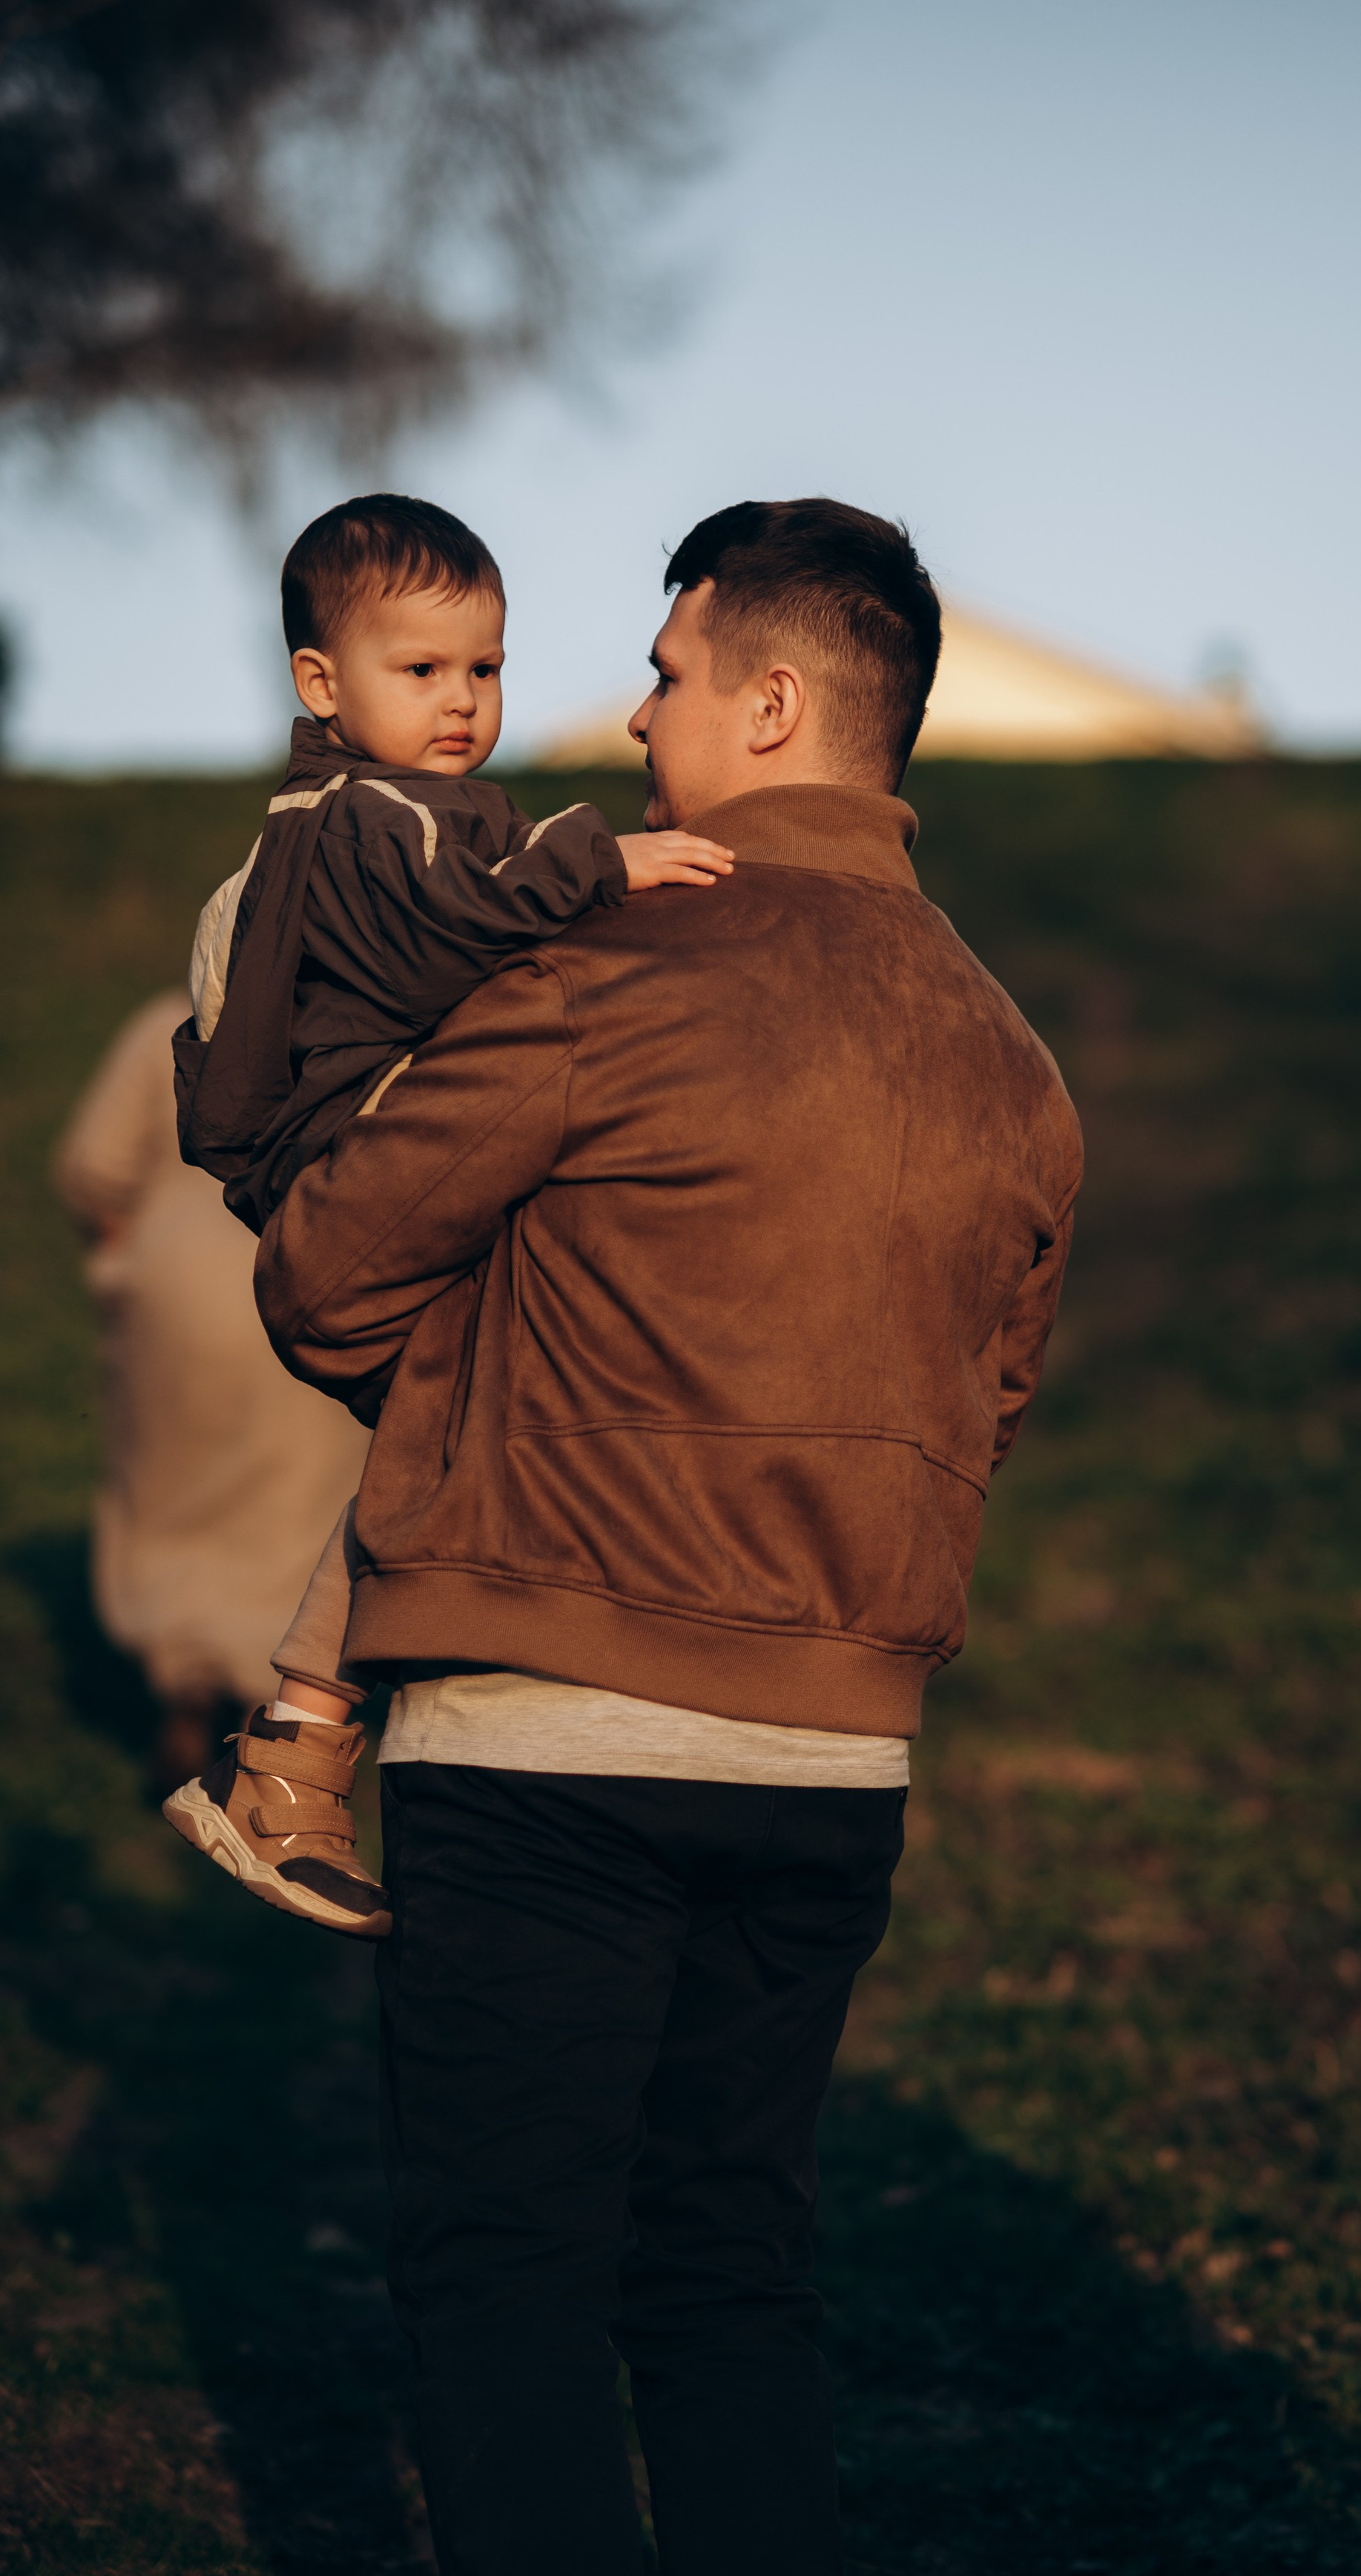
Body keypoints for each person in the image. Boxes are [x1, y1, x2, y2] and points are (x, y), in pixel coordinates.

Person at [248, 497, 1082, 2576]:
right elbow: (989, 1400)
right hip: (836, 1750)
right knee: (728, 2271)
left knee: (507, 2274)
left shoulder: (615, 971)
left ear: (781, 702)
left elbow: (328, 1267)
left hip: (546, 1715)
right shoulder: (1008, 1059)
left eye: (673, 672)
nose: (632, 714)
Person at [161, 490, 733, 1933]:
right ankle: (307, 1737)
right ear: (321, 686)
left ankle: (296, 1747)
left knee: (459, 1417)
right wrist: (601, 864)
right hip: (355, 1132)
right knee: (507, 1371)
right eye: (421, 671)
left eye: (484, 667)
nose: (464, 699)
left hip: (364, 1120)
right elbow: (449, 925)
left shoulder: (408, 809)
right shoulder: (366, 816)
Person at [51, 988, 369, 1786]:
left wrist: (128, 1270)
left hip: (176, 1287)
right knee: (296, 1496)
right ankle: (261, 1709)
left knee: (169, 1489)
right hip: (302, 1276)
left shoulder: (167, 1023)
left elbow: (93, 1172)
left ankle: (181, 1677)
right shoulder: (363, 1031)